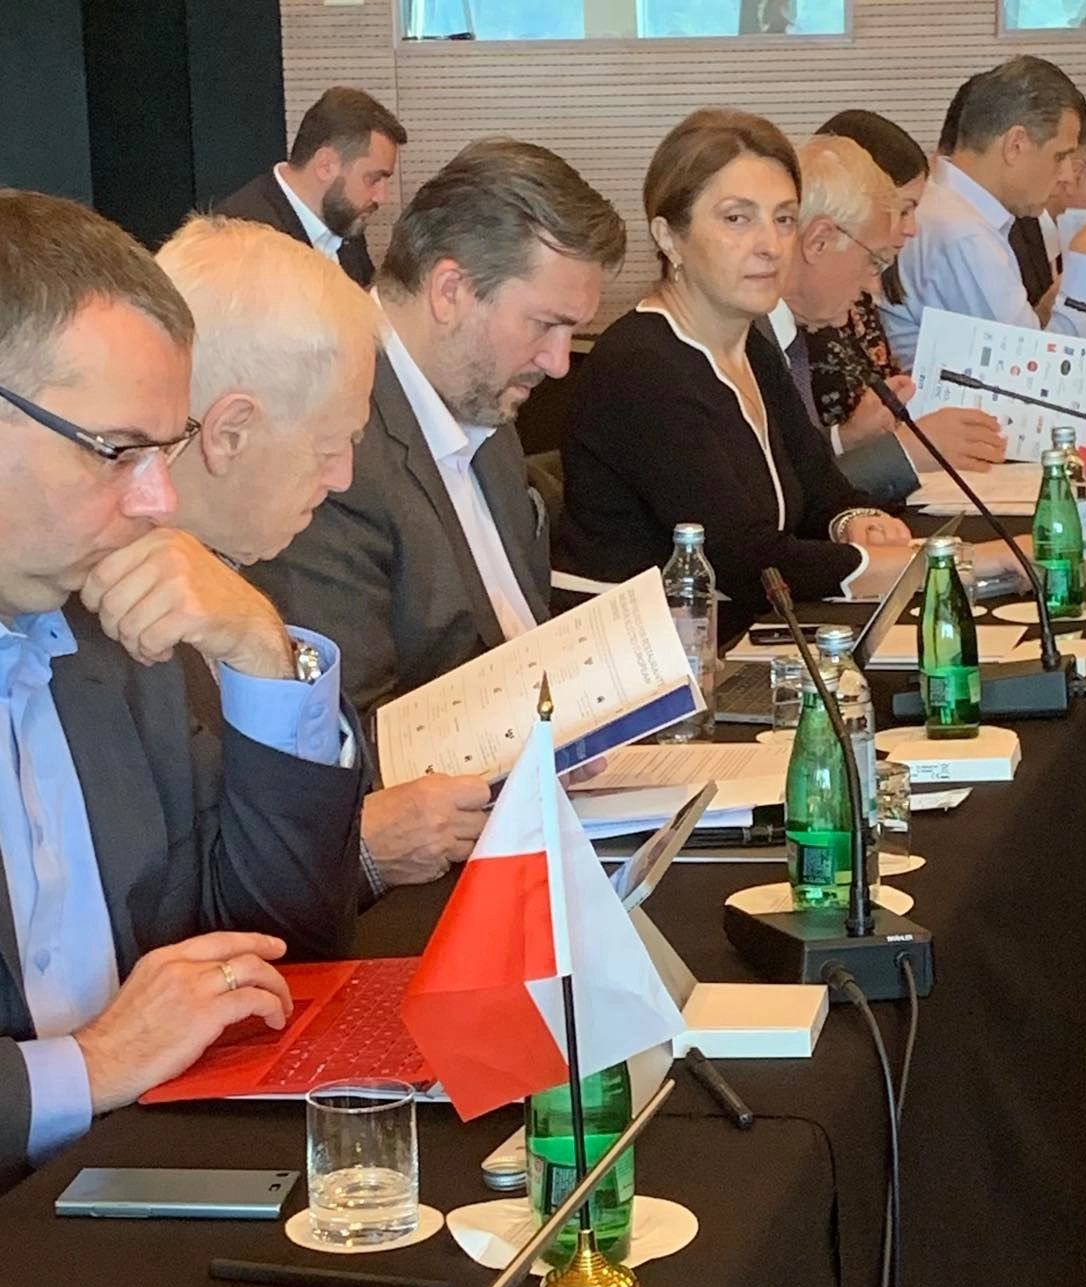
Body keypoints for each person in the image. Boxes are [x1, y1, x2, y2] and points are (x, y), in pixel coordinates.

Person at [0, 192, 367, 1186]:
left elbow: (280, 946)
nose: (161, 500)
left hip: (137, 1180)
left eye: (165, 452)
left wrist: (258, 648)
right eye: (118, 451)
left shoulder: (110, 633)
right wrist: (89, 1065)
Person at [155, 215, 491, 891]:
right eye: (329, 445)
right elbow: (185, 908)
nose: (341, 477)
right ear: (229, 434)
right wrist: (356, 850)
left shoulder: (239, 546)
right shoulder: (120, 624)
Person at [249, 138, 627, 728]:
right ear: (450, 291)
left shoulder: (482, 399)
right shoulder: (332, 442)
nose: (558, 363)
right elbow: (347, 729)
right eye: (544, 325)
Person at [558, 109, 921, 639]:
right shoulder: (642, 366)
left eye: (784, 219)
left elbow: (822, 490)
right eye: (737, 219)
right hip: (641, 659)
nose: (770, 245)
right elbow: (747, 561)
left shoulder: (751, 345)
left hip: (737, 640)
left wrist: (854, 521)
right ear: (669, 237)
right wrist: (938, 564)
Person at [882, 56, 1086, 370]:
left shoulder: (953, 210)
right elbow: (1043, 375)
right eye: (1060, 156)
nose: (1066, 175)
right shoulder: (962, 234)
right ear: (1015, 144)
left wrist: (1051, 305)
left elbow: (1017, 347)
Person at [801, 112, 1007, 475]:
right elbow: (793, 478)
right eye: (902, 210)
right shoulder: (778, 322)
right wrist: (898, 449)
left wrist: (859, 437)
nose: (911, 229)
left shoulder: (849, 295)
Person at [762, 132, 922, 505]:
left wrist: (846, 438)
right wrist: (906, 454)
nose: (872, 286)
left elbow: (797, 470)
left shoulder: (789, 333)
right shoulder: (746, 343)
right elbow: (782, 502)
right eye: (874, 261)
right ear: (818, 241)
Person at [216, 87, 407, 288]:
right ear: (326, 166)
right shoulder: (240, 239)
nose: (381, 197)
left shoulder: (343, 218)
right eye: (373, 179)